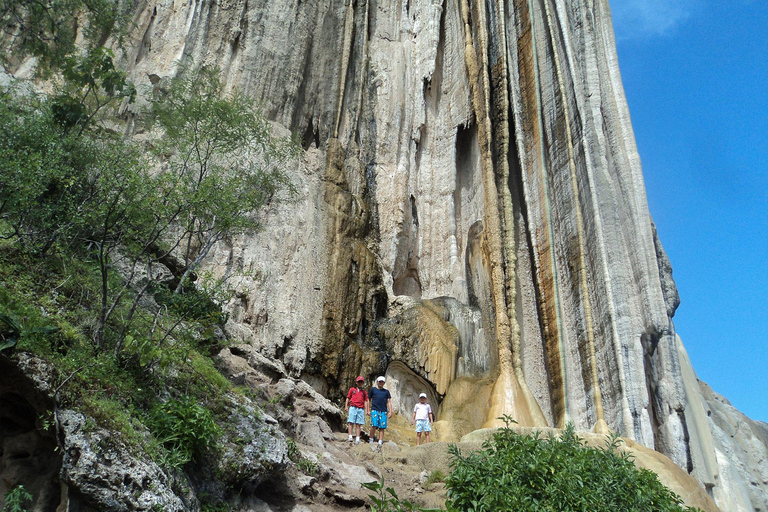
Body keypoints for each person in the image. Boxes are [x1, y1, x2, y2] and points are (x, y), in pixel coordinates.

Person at [367, 376, 392, 446]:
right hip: (374, 409)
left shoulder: (386, 392)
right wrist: (368, 409)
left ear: (384, 383)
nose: (381, 383)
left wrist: (390, 411)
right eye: (379, 381)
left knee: (382, 427)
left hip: (383, 410)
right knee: (373, 425)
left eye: (382, 382)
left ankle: (380, 440)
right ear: (377, 382)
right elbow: (368, 400)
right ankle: (371, 439)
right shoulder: (373, 390)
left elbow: (389, 402)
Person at [345, 375, 368, 444]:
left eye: (361, 382)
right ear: (356, 382)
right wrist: (346, 406)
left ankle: (358, 437)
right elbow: (348, 398)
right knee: (351, 422)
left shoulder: (364, 392)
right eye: (359, 382)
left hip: (360, 408)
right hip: (353, 407)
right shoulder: (352, 389)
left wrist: (367, 410)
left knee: (359, 424)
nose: (360, 383)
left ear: (363, 383)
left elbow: (366, 401)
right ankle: (350, 436)